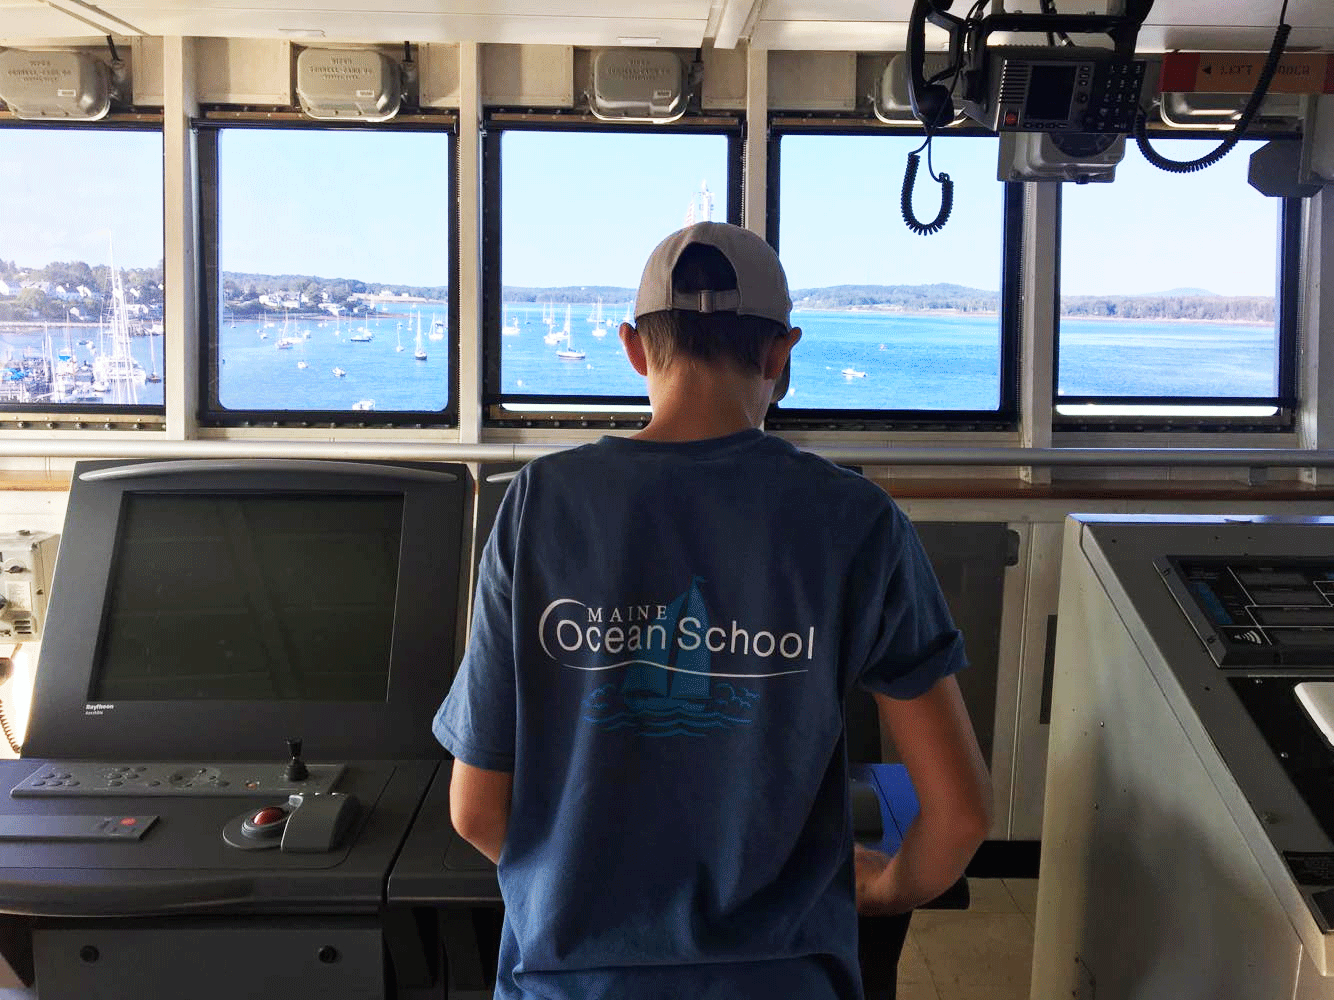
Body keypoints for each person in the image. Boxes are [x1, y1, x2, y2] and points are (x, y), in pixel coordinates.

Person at [433, 221, 991, 1000]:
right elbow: (959, 816)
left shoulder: (538, 506)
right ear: (779, 355)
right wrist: (886, 888)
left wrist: (594, 901)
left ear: (633, 348)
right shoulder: (858, 520)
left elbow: (476, 811)